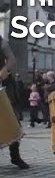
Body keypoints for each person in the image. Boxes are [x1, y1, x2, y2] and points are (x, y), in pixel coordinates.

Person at [0, 35, 29, 169]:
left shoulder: (0, 41)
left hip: (3, 84)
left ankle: (15, 156)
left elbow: (11, 58)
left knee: (11, 119)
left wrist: (5, 69)